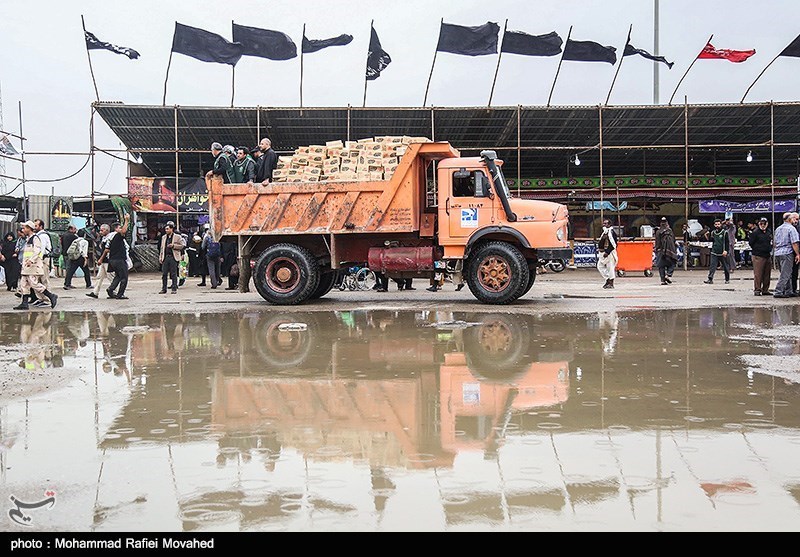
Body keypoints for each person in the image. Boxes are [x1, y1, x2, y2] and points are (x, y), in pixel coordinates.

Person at [13, 220, 58, 310]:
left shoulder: (35, 238)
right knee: (24, 284)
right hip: (26, 266)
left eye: (24, 228)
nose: (23, 230)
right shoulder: (28, 239)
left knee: (34, 283)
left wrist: (31, 260)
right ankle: (24, 303)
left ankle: (51, 296)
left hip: (32, 266)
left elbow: (38, 251)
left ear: (29, 229)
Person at [102, 214, 131, 300]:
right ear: (116, 229)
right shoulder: (117, 235)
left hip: (112, 260)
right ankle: (120, 294)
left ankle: (110, 289)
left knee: (118, 276)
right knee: (124, 277)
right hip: (119, 260)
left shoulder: (109, 237)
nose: (121, 229)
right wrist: (127, 220)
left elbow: (107, 249)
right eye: (120, 228)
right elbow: (124, 231)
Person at [772, 212, 800, 298]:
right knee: (786, 274)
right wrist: (798, 254)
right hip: (787, 252)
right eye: (793, 218)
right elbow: (794, 243)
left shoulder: (778, 229)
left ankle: (788, 290)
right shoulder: (791, 229)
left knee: (784, 272)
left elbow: (774, 242)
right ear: (789, 219)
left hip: (778, 253)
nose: (794, 220)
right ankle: (778, 291)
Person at [749, 217, 773, 296]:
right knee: (758, 274)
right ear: (758, 224)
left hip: (767, 255)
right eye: (761, 223)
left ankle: (765, 289)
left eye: (764, 223)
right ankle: (757, 289)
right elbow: (751, 243)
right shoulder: (755, 233)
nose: (763, 225)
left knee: (767, 274)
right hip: (758, 256)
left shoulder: (769, 232)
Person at [159, 222, 185, 294]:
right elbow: (162, 248)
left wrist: (174, 246)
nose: (166, 230)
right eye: (165, 229)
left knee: (173, 273)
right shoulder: (164, 237)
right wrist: (160, 257)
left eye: (167, 229)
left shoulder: (177, 237)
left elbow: (182, 246)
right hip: (165, 257)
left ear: (171, 229)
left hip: (173, 257)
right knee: (164, 274)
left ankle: (174, 288)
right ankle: (164, 288)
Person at [86, 224, 111, 299]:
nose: (100, 232)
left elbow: (107, 250)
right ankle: (95, 292)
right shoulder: (103, 238)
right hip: (103, 261)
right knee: (99, 277)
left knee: (110, 276)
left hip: (107, 260)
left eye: (102, 230)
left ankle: (114, 291)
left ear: (107, 230)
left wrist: (101, 259)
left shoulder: (110, 238)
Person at [704, 218, 730, 285]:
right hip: (714, 251)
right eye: (716, 224)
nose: (717, 225)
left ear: (721, 224)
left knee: (725, 266)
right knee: (712, 266)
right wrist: (707, 235)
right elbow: (711, 240)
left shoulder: (725, 232)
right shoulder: (713, 232)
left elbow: (727, 242)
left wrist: (726, 250)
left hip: (722, 252)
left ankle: (727, 279)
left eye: (718, 224)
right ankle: (710, 279)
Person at [596, 218, 618, 289]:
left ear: (609, 224)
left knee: (610, 268)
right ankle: (607, 279)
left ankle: (611, 283)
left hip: (609, 254)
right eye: (604, 223)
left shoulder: (611, 233)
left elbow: (613, 244)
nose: (604, 225)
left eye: (605, 224)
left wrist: (607, 252)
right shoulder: (605, 232)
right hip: (602, 253)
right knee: (600, 266)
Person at [654, 217, 677, 285]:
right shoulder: (670, 231)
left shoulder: (658, 232)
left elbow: (657, 242)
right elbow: (674, 240)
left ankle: (663, 280)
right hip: (670, 251)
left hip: (661, 251)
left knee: (661, 266)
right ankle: (668, 275)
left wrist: (657, 249)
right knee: (672, 263)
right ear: (667, 224)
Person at [791, 212, 800, 296]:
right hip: (792, 252)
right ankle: (793, 289)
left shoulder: (797, 227)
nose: (797, 221)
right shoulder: (790, 228)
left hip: (797, 251)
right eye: (796, 219)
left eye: (798, 219)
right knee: (793, 272)